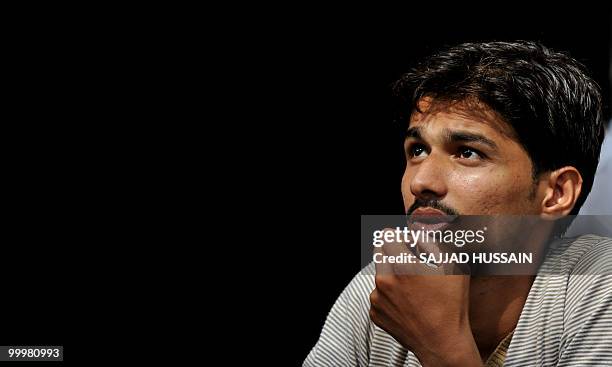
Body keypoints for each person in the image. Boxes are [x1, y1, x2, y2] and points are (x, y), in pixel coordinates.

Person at [304, 41, 612, 366]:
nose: (421, 182)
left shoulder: (598, 287)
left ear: (557, 194)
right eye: (418, 150)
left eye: (467, 152)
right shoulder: (384, 289)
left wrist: (442, 345)